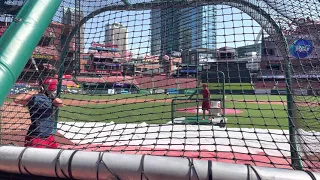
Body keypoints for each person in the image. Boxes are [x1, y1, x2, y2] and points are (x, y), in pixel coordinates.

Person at [14, 77, 63, 148]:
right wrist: (34, 93)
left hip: (48, 135)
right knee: (35, 157)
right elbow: (17, 100)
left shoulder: (49, 98)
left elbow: (60, 103)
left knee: (55, 155)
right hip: (37, 137)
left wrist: (49, 95)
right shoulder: (35, 98)